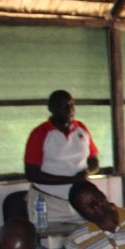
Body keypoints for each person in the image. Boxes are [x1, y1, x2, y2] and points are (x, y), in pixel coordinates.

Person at [24, 90, 100, 223]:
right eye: (63, 106)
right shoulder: (40, 133)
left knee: (83, 241)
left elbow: (93, 160)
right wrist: (71, 179)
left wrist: (86, 173)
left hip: (79, 201)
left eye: (71, 105)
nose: (70, 110)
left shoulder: (81, 128)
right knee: (51, 244)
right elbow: (32, 174)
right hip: (48, 202)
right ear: (51, 108)